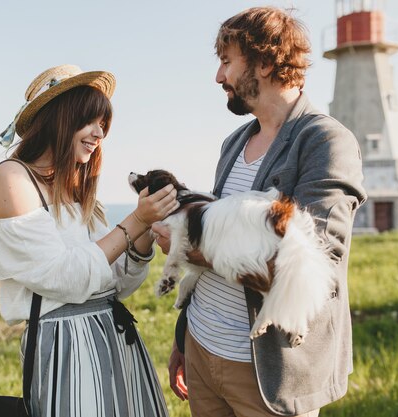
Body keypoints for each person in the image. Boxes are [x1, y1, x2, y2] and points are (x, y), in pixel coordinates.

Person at [152, 7, 367, 417]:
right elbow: (217, 228)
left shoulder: (326, 142)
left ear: (266, 62)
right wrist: (184, 339)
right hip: (203, 349)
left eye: (227, 62)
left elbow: (317, 262)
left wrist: (188, 249)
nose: (219, 77)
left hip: (268, 371)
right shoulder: (235, 142)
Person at [0, 65, 175, 417]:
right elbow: (65, 278)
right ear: (59, 117)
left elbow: (115, 282)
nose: (99, 133)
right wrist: (135, 221)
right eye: (90, 120)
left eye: (104, 124)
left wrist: (145, 232)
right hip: (66, 346)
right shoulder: (12, 177)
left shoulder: (77, 188)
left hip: (115, 338)